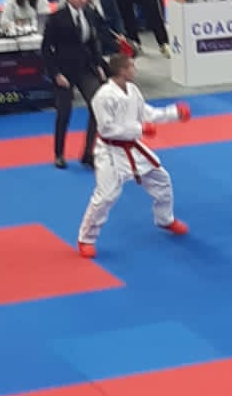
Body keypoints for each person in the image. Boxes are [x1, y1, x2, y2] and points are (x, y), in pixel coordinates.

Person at [76, 55, 189, 255]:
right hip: (110, 151)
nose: (135, 70)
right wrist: (140, 129)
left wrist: (174, 113)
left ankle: (165, 219)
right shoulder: (103, 96)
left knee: (161, 180)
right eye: (132, 67)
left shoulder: (133, 90)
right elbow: (106, 129)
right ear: (122, 71)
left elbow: (147, 113)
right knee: (106, 196)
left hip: (133, 147)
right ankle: (86, 239)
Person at [42, 0, 109, 169]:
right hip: (64, 70)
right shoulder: (57, 18)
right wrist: (55, 74)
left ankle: (88, 152)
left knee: (97, 107)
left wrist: (99, 65)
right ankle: (59, 154)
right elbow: (46, 49)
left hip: (86, 68)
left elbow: (93, 41)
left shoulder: (89, 13)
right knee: (64, 112)